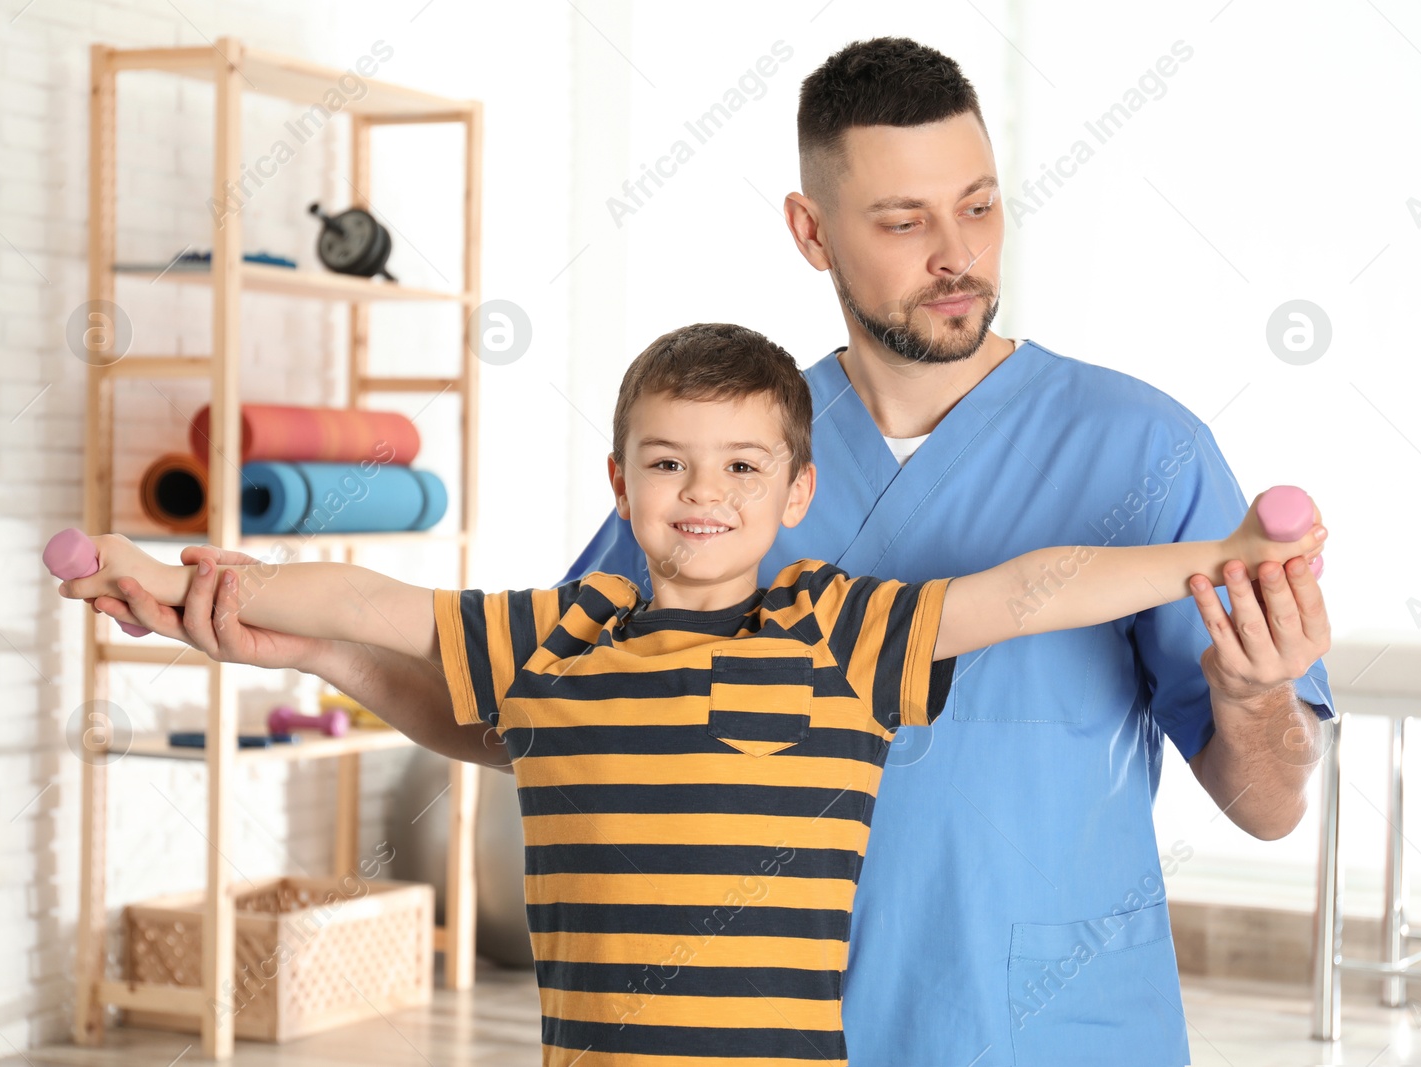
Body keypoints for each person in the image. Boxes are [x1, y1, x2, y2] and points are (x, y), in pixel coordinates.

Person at [87, 37, 1335, 1067]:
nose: (956, 253)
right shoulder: (726, 453)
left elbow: (1266, 799)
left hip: (1044, 1027)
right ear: (810, 230)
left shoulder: (1144, 452)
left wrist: (1252, 689)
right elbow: (537, 704)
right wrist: (304, 644)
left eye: (979, 205)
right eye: (901, 219)